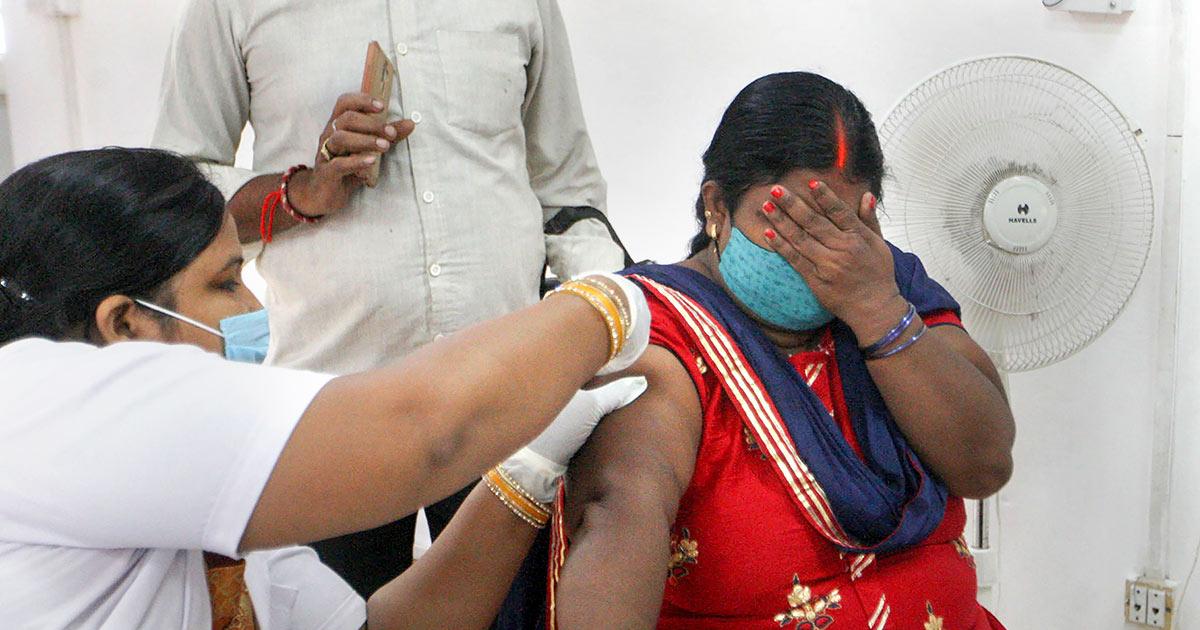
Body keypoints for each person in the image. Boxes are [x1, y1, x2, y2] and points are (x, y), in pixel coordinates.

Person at [0, 147, 649, 629]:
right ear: (123, 324)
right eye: (225, 284)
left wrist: (527, 473)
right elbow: (423, 431)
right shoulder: (37, 398)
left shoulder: (214, 491)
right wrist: (616, 301)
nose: (252, 306)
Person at [152, 0, 628, 596]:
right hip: (332, 408)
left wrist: (613, 316)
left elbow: (567, 189)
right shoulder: (230, 8)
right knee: (339, 614)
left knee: (515, 612)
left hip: (508, 399)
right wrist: (301, 191)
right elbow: (176, 197)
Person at [542, 73, 1016, 628]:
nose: (819, 255)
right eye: (787, 223)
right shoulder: (666, 328)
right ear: (716, 205)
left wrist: (877, 310)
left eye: (840, 227)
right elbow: (621, 507)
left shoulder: (891, 285)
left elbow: (985, 466)